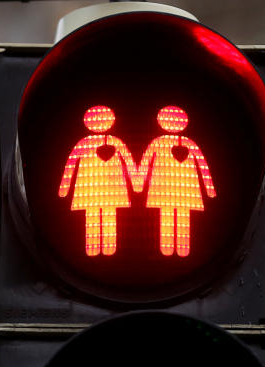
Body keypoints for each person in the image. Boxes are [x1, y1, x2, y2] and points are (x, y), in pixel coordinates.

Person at [58, 105, 139, 256]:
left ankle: (107, 248)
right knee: (95, 216)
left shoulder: (113, 143)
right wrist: (64, 186)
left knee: (106, 216)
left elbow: (128, 160)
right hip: (95, 190)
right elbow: (71, 163)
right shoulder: (86, 143)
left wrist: (136, 181)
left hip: (96, 190)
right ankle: (95, 247)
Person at [136, 105, 216, 257]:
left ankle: (181, 248)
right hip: (178, 190)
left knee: (181, 218)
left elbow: (202, 165)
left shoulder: (185, 144)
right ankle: (171, 249)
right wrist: (138, 182)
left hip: (174, 190)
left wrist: (210, 188)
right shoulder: (163, 143)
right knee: (170, 216)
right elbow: (146, 160)